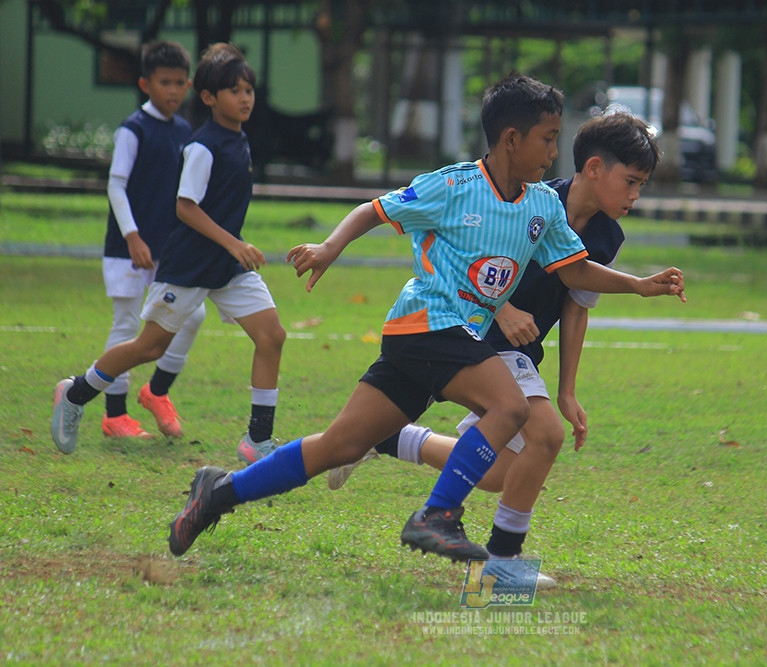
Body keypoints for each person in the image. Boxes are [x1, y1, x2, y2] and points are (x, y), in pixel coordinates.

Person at [166, 72, 684, 564]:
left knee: (338, 445)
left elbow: (574, 271)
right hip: (426, 323)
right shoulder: (455, 186)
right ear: (510, 139)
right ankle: (438, 516)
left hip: (446, 342)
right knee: (511, 406)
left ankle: (219, 491)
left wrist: (638, 285)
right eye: (548, 139)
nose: (554, 152)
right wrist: (329, 246)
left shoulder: (541, 206)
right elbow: (376, 209)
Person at [323, 112, 661, 587]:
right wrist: (501, 309)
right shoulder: (537, 195)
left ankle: (390, 439)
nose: (634, 196)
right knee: (544, 437)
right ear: (594, 169)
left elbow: (576, 304)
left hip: (520, 350)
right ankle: (502, 562)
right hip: (478, 333)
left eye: (640, 185)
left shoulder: (608, 237)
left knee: (500, 471)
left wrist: (568, 390)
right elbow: (477, 256)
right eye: (630, 182)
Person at [51, 43, 286, 464]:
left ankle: (258, 440)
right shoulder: (203, 147)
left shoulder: (240, 139)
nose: (245, 98)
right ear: (210, 98)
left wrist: (232, 249)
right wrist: (233, 241)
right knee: (148, 347)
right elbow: (185, 206)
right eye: (235, 91)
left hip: (226, 267)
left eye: (249, 90)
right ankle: (75, 392)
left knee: (272, 336)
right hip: (189, 265)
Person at [100, 40, 205, 440]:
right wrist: (132, 235)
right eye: (165, 82)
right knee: (126, 326)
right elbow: (116, 185)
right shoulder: (133, 130)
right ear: (146, 83)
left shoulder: (184, 131)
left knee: (192, 315)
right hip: (127, 248)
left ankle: (157, 391)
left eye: (180, 82)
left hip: (167, 249)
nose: (174, 90)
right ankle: (114, 416)